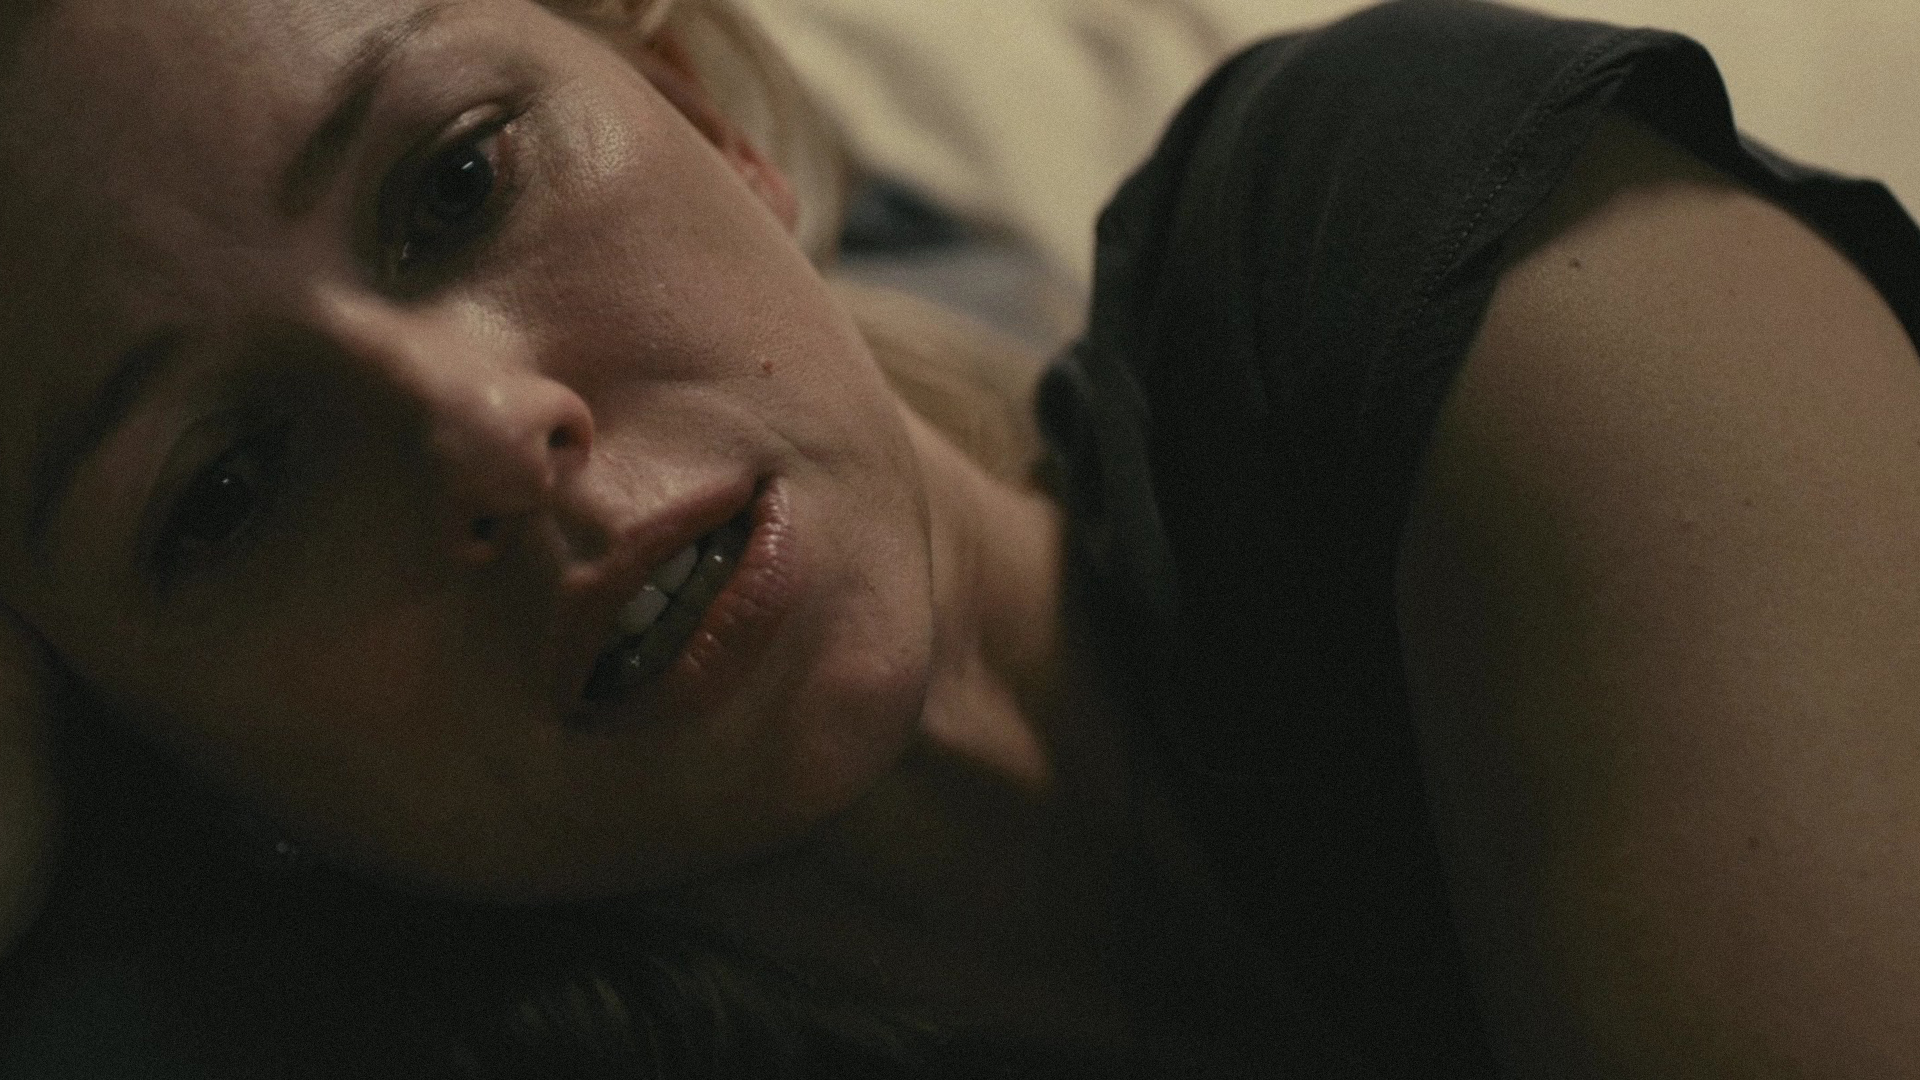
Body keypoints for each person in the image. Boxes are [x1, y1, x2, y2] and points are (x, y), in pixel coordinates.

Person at [0, 0, 1917, 1077]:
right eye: (227, 491)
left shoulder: (1396, 252)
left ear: (699, 106)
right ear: (157, 751)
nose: (493, 434)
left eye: (458, 183)